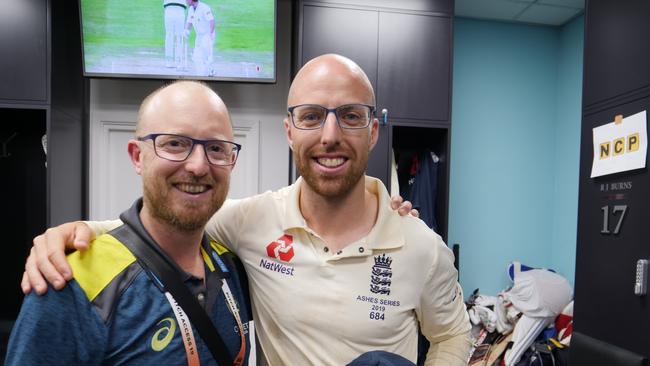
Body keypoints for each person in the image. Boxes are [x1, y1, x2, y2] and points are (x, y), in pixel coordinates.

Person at [23, 54, 471, 365]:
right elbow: (166, 221)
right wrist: (73, 230)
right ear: (290, 131)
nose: (330, 135)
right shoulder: (251, 223)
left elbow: (453, 334)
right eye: (312, 116)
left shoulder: (421, 247)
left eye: (351, 116)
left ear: (373, 132)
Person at [7, 81, 253, 365]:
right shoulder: (70, 283)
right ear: (138, 156)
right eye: (174, 144)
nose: (198, 166)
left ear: (231, 160)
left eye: (216, 148)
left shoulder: (232, 265)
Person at [185, 0, 216, 76]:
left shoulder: (204, 7)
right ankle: (202, 74)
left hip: (207, 34)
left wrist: (211, 34)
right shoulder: (191, 9)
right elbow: (189, 21)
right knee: (197, 56)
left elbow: (211, 21)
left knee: (206, 56)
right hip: (199, 36)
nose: (185, 1)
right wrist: (186, 30)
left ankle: (208, 72)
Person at [163, 0, 187, 68]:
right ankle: (168, 60)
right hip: (169, 8)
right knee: (169, 36)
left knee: (179, 37)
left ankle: (179, 61)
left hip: (180, 9)